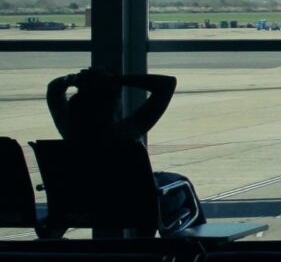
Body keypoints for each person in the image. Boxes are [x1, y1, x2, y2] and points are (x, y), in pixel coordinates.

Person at [44, 66, 203, 234]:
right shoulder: (124, 134)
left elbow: (54, 88)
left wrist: (74, 79)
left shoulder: (69, 130)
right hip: (133, 206)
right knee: (181, 184)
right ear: (113, 106)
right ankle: (201, 244)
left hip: (82, 205)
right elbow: (167, 84)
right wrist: (115, 80)